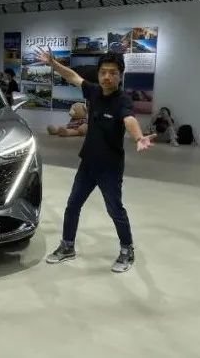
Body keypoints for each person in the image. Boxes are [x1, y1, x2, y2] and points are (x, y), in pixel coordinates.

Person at [38, 47, 156, 273]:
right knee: (73, 205)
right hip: (88, 163)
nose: (107, 77)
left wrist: (139, 137)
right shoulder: (93, 92)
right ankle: (67, 246)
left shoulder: (122, 100)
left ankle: (127, 250)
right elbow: (73, 77)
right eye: (103, 72)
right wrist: (53, 64)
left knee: (115, 209)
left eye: (112, 72)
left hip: (110, 167)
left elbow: (129, 119)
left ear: (120, 75)